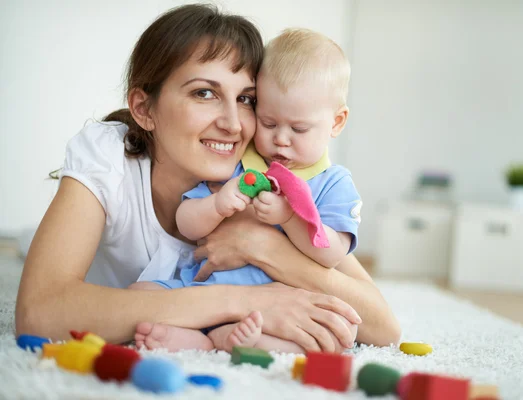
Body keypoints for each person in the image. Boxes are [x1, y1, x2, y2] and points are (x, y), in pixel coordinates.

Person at [14, 4, 401, 353]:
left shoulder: (265, 176)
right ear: (143, 108)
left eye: (247, 100)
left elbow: (382, 324)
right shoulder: (108, 155)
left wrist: (261, 245)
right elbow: (40, 313)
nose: (232, 124)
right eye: (204, 93)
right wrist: (246, 300)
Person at [130, 28, 361, 354]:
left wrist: (289, 216)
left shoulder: (333, 183)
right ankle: (206, 335)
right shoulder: (239, 166)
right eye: (268, 123)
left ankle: (221, 341)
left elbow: (332, 252)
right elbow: (186, 223)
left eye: (298, 129)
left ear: (336, 122)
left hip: (273, 307)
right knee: (137, 294)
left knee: (338, 333)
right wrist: (217, 205)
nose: (281, 139)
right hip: (201, 292)